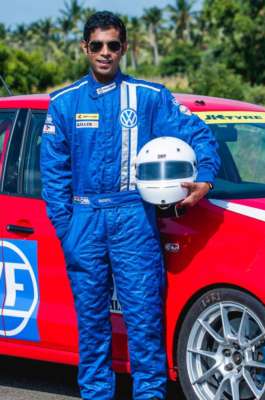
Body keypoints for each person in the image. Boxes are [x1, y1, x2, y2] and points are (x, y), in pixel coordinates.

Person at [40, 11, 220, 400]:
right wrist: (66, 229)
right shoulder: (64, 103)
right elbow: (53, 175)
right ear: (85, 48)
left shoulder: (150, 98)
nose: (106, 53)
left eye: (114, 45)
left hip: (132, 218)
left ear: (125, 48)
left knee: (143, 320)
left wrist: (205, 176)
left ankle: (150, 395)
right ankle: (96, 395)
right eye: (98, 46)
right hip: (84, 219)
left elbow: (198, 133)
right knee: (91, 323)